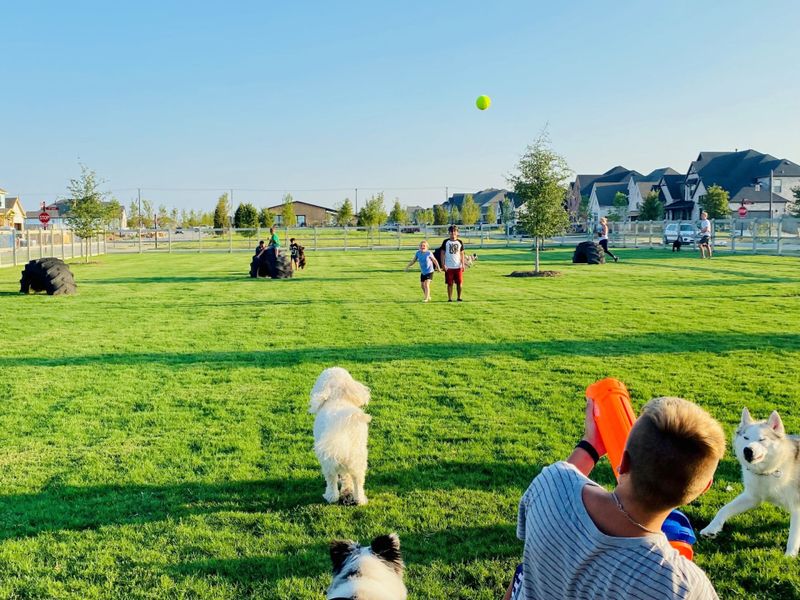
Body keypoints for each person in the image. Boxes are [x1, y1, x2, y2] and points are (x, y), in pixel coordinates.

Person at [504, 395, 725, 600]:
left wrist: (590, 444)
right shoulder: (684, 587)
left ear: (624, 462)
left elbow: (563, 478)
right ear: (702, 489)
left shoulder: (551, 483)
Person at [439, 225, 465, 302]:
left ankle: (459, 297)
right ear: (449, 233)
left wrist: (463, 264)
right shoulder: (446, 242)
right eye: (451, 231)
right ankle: (450, 298)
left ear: (457, 232)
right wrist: (443, 264)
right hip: (449, 266)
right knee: (449, 283)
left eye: (454, 231)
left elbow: (462, 253)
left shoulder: (460, 242)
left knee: (459, 283)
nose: (453, 233)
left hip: (458, 266)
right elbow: (442, 253)